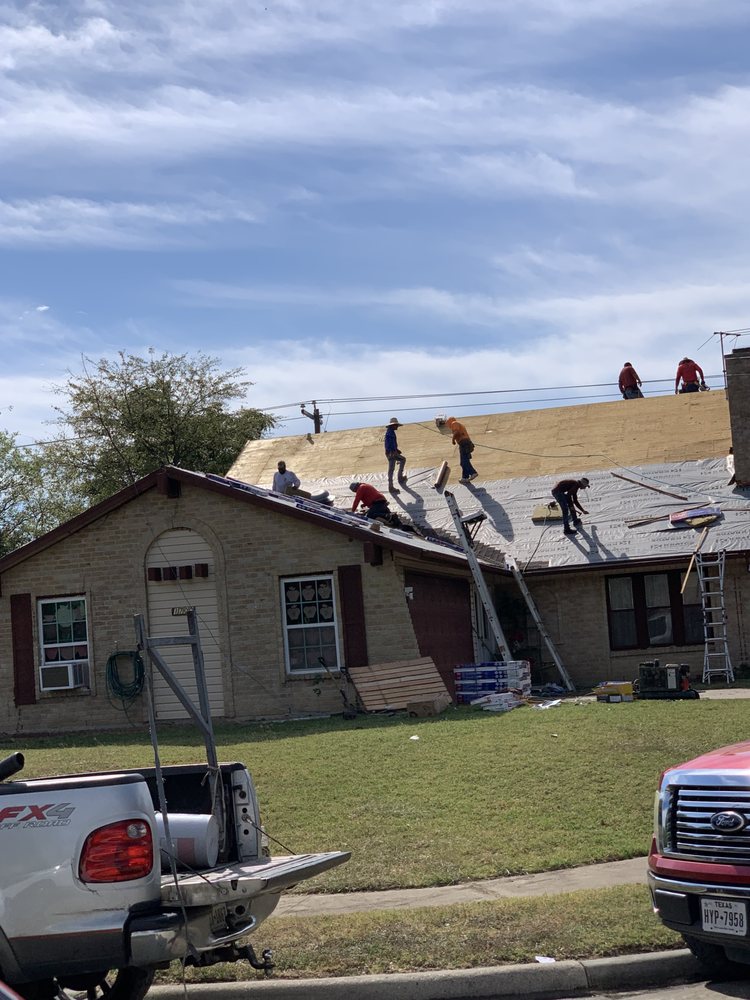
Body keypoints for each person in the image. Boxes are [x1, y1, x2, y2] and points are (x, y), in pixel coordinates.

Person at [446, 416, 477, 483]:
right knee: (463, 462)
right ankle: (465, 477)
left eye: (447, 424)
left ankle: (473, 473)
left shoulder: (454, 423)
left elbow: (456, 432)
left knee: (464, 461)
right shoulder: (458, 424)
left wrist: (453, 440)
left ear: (449, 422)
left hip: (464, 443)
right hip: (465, 444)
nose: (448, 426)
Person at [384, 417, 407, 493]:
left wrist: (396, 450)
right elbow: (388, 444)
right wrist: (393, 451)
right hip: (391, 453)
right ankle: (391, 486)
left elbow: (392, 444)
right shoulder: (389, 433)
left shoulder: (390, 432)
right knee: (391, 469)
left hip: (392, 452)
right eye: (396, 425)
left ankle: (399, 478)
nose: (397, 426)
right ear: (393, 425)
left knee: (402, 460)